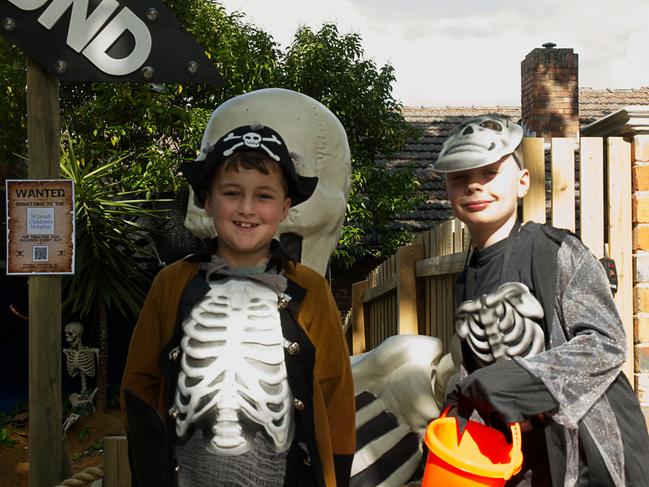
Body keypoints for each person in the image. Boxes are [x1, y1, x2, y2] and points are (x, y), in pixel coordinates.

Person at [121, 122, 355, 487]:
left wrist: (336, 474)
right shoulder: (171, 283)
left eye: (264, 196)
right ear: (207, 200)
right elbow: (139, 384)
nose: (247, 209)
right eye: (232, 193)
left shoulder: (311, 289)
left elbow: (335, 394)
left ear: (285, 207)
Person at [433, 114, 649, 486]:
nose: (474, 187)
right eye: (460, 178)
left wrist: (510, 380)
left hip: (584, 461)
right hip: (513, 462)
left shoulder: (557, 251)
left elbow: (605, 345)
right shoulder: (466, 275)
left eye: (489, 174)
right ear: (448, 192)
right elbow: (480, 371)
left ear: (522, 183)